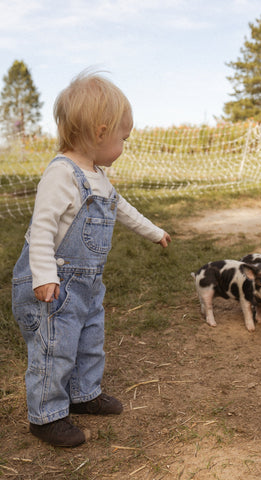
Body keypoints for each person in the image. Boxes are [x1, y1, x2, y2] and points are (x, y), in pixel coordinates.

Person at [11, 71, 171, 448]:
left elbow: (123, 209)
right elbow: (43, 228)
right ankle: (46, 415)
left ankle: (84, 393)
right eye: (123, 139)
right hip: (55, 286)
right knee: (55, 347)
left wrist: (154, 231)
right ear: (101, 133)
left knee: (88, 339)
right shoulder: (61, 173)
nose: (124, 146)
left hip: (86, 285)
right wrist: (44, 276)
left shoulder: (97, 176)